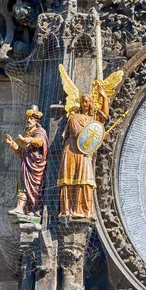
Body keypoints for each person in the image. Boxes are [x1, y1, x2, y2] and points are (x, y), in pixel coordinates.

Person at [57, 88, 109, 220]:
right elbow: (79, 134)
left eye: (87, 102)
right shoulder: (74, 117)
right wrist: (98, 137)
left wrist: (104, 98)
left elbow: (104, 116)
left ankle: (84, 210)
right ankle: (68, 209)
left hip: (84, 153)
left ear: (91, 103)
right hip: (73, 150)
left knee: (86, 180)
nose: (84, 104)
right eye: (83, 102)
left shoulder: (92, 118)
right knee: (70, 180)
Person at [4, 105, 49, 217]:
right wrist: (13, 144)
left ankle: (36, 209)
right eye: (28, 118)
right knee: (22, 185)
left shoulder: (39, 131)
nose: (28, 120)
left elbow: (40, 142)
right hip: (26, 163)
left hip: (35, 166)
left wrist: (28, 139)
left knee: (36, 187)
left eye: (32, 118)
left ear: (36, 120)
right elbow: (20, 153)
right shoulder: (26, 134)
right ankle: (20, 208)